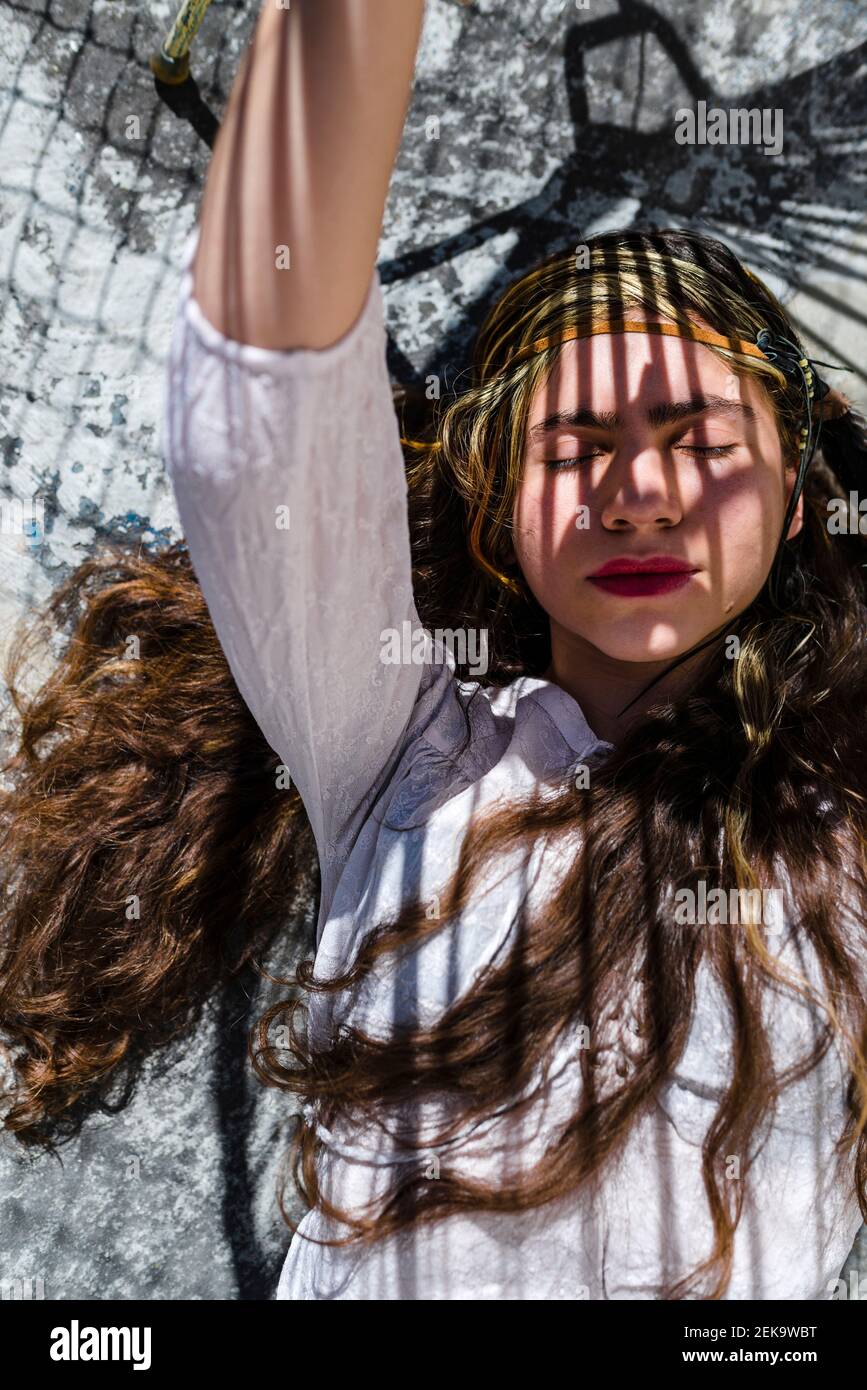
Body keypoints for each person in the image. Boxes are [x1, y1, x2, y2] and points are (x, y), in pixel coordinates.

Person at [2, 0, 865, 1300]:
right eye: (574, 448)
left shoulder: (842, 834)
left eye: (697, 437)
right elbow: (258, 401)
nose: (638, 488)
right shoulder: (398, 742)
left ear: (798, 501)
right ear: (501, 519)